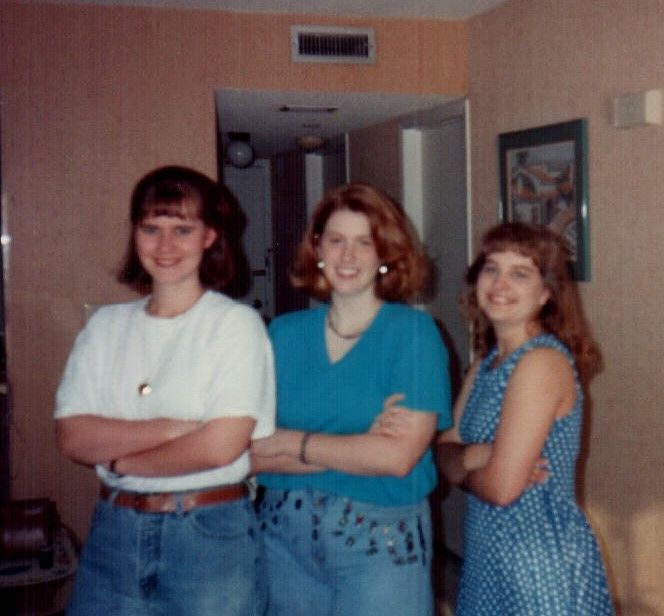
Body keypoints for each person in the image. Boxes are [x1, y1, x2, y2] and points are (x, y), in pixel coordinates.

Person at [54, 165, 275, 615]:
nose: (165, 246)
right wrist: (174, 429)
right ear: (135, 234)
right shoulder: (104, 327)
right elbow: (74, 437)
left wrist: (117, 461)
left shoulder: (235, 326)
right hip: (114, 531)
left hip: (208, 535)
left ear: (210, 236)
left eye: (183, 230)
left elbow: (221, 446)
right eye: (151, 228)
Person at [251, 182, 451, 616]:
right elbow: (243, 452)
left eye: (365, 243)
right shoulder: (282, 335)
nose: (348, 257)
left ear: (385, 254)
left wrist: (289, 441)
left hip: (380, 534)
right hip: (281, 534)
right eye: (336, 241)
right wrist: (359, 445)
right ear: (317, 248)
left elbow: (397, 459)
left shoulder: (413, 336)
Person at [437, 222, 614, 615]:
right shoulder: (484, 363)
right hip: (489, 554)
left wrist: (465, 463)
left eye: (520, 273)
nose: (500, 284)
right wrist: (481, 454)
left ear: (547, 293)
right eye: (491, 268)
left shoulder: (540, 362)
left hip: (539, 562)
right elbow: (442, 450)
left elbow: (501, 489)